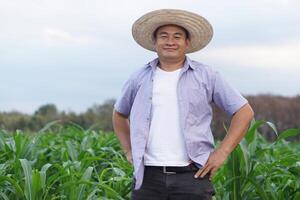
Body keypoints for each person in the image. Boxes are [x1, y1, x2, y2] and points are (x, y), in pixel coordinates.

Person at [112, 9, 254, 199]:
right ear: (155, 42)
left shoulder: (206, 75)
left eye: (177, 37)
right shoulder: (139, 77)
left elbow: (244, 112)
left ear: (187, 43)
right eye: (164, 36)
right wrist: (128, 149)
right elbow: (119, 114)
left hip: (193, 175)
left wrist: (222, 152)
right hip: (147, 177)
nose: (170, 42)